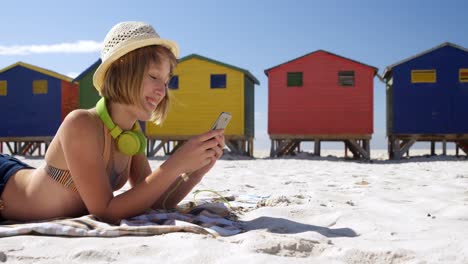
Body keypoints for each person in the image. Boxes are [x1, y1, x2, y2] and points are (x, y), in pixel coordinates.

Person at [0, 21, 225, 224]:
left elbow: (151, 201)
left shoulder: (130, 134)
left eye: (166, 82)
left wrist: (193, 173)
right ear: (122, 70)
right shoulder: (81, 124)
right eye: (154, 77)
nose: (162, 91)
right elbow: (106, 211)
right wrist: (174, 164)